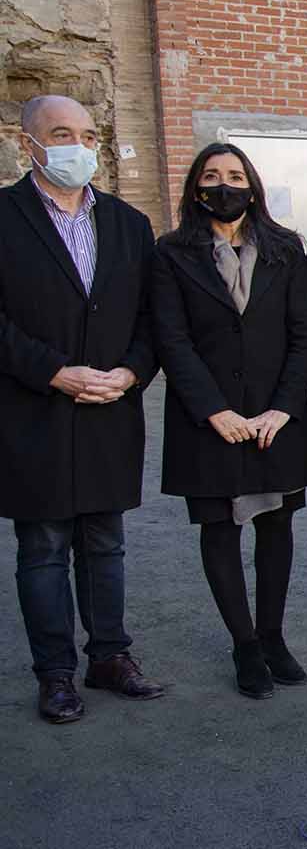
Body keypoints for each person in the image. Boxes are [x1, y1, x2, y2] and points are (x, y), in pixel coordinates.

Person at [0, 94, 165, 723]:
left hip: (109, 408)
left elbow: (153, 317)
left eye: (88, 133)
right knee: (42, 545)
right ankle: (55, 674)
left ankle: (109, 656)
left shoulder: (127, 223)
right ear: (29, 144)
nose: (78, 145)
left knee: (105, 542)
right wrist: (53, 372)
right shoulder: (6, 215)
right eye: (61, 133)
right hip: (33, 409)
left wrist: (131, 370)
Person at [150, 143, 307, 699]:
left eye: (235, 175)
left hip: (276, 416)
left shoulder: (285, 249)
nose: (225, 185)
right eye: (212, 176)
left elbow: (305, 335)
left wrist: (284, 407)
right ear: (196, 187)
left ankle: (272, 636)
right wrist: (214, 411)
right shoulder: (173, 253)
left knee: (277, 527)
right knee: (219, 530)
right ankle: (244, 643)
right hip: (209, 419)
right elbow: (171, 340)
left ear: (253, 185)